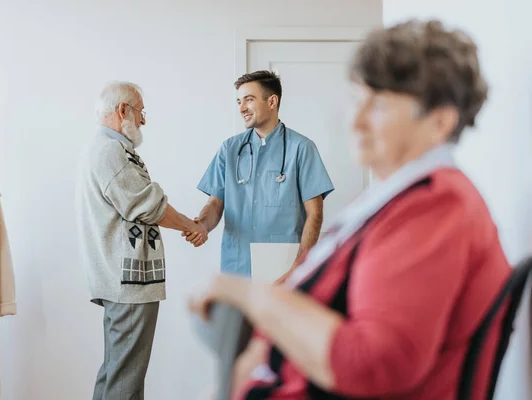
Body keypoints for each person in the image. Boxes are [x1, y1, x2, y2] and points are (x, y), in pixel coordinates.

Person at [189, 20, 512, 400]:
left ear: (439, 121)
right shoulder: (393, 199)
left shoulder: (435, 209)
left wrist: (253, 297)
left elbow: (373, 365)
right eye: (359, 100)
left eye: (380, 105)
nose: (355, 121)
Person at [74, 81, 207, 400]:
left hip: (122, 281)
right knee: (126, 377)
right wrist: (192, 226)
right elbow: (149, 205)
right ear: (122, 110)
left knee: (116, 370)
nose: (144, 120)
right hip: (127, 283)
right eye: (140, 111)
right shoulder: (110, 151)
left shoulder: (108, 149)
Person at [186, 70, 334, 283]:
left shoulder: (301, 148)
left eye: (249, 99)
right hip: (236, 265)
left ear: (272, 101)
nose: (241, 108)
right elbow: (215, 203)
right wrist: (202, 225)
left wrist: (299, 267)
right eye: (239, 101)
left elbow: (315, 213)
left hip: (283, 268)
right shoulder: (230, 149)